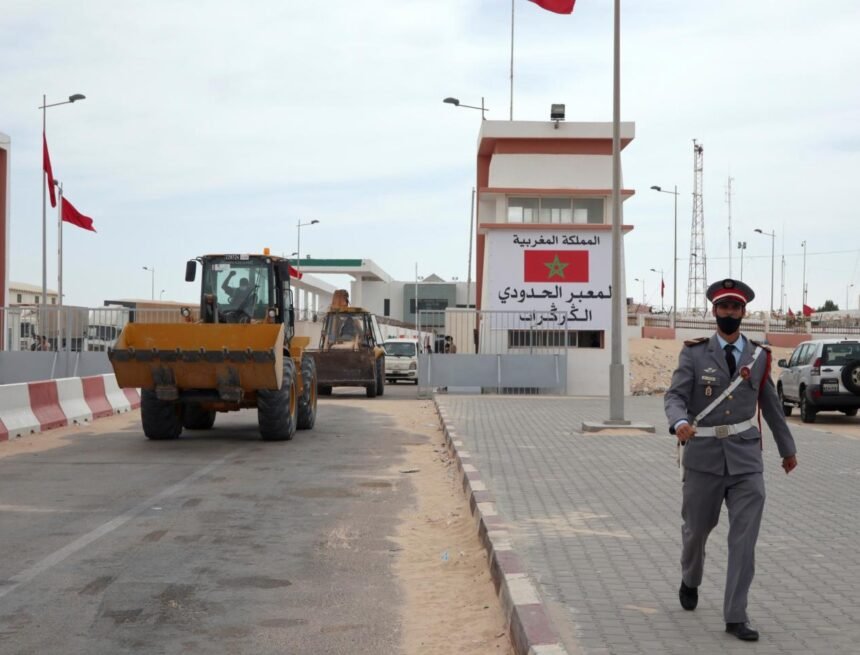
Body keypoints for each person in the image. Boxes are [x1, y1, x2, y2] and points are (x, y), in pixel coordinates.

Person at [664, 278, 798, 642]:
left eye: (735, 308)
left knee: (744, 540)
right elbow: (675, 396)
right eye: (723, 307)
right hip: (703, 459)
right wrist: (678, 422)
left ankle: (736, 614)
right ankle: (690, 578)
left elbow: (770, 405)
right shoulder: (694, 354)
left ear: (744, 312)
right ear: (714, 312)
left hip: (745, 460)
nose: (729, 313)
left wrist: (787, 449)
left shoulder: (758, 356)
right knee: (696, 532)